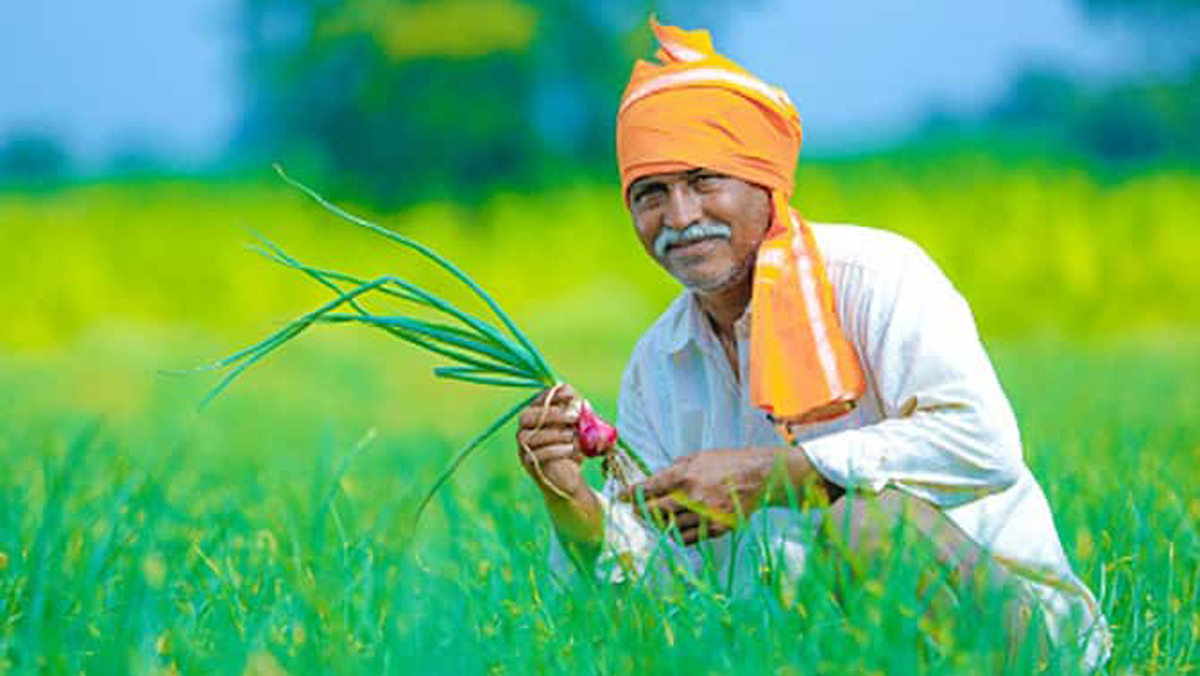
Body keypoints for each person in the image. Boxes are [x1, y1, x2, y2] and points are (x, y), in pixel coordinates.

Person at [514, 18, 1110, 671]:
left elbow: (983, 445)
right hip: (810, 647)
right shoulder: (660, 362)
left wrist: (775, 476)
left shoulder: (877, 278)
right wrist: (569, 499)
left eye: (705, 181)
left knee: (865, 525)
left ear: (764, 183)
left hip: (1011, 639)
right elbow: (656, 574)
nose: (680, 218)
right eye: (650, 194)